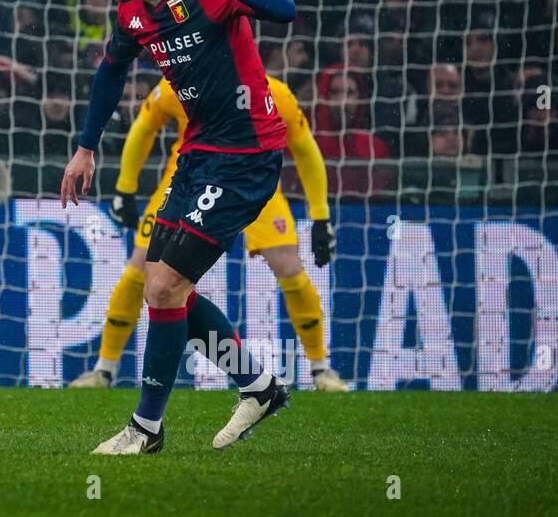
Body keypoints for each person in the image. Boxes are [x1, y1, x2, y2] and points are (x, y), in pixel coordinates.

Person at [60, 0, 296, 455]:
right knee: (163, 286)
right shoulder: (131, 13)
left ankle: (145, 430)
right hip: (197, 155)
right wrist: (85, 147)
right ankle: (258, 388)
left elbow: (286, 10)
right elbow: (111, 71)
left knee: (164, 286)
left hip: (246, 155)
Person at [70, 72, 349, 392]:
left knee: (288, 265)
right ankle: (104, 369)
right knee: (141, 265)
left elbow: (303, 146)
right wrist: (125, 189)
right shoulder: (179, 83)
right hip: (187, 178)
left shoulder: (274, 92)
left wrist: (320, 216)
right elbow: (144, 127)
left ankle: (320, 368)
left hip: (252, 179)